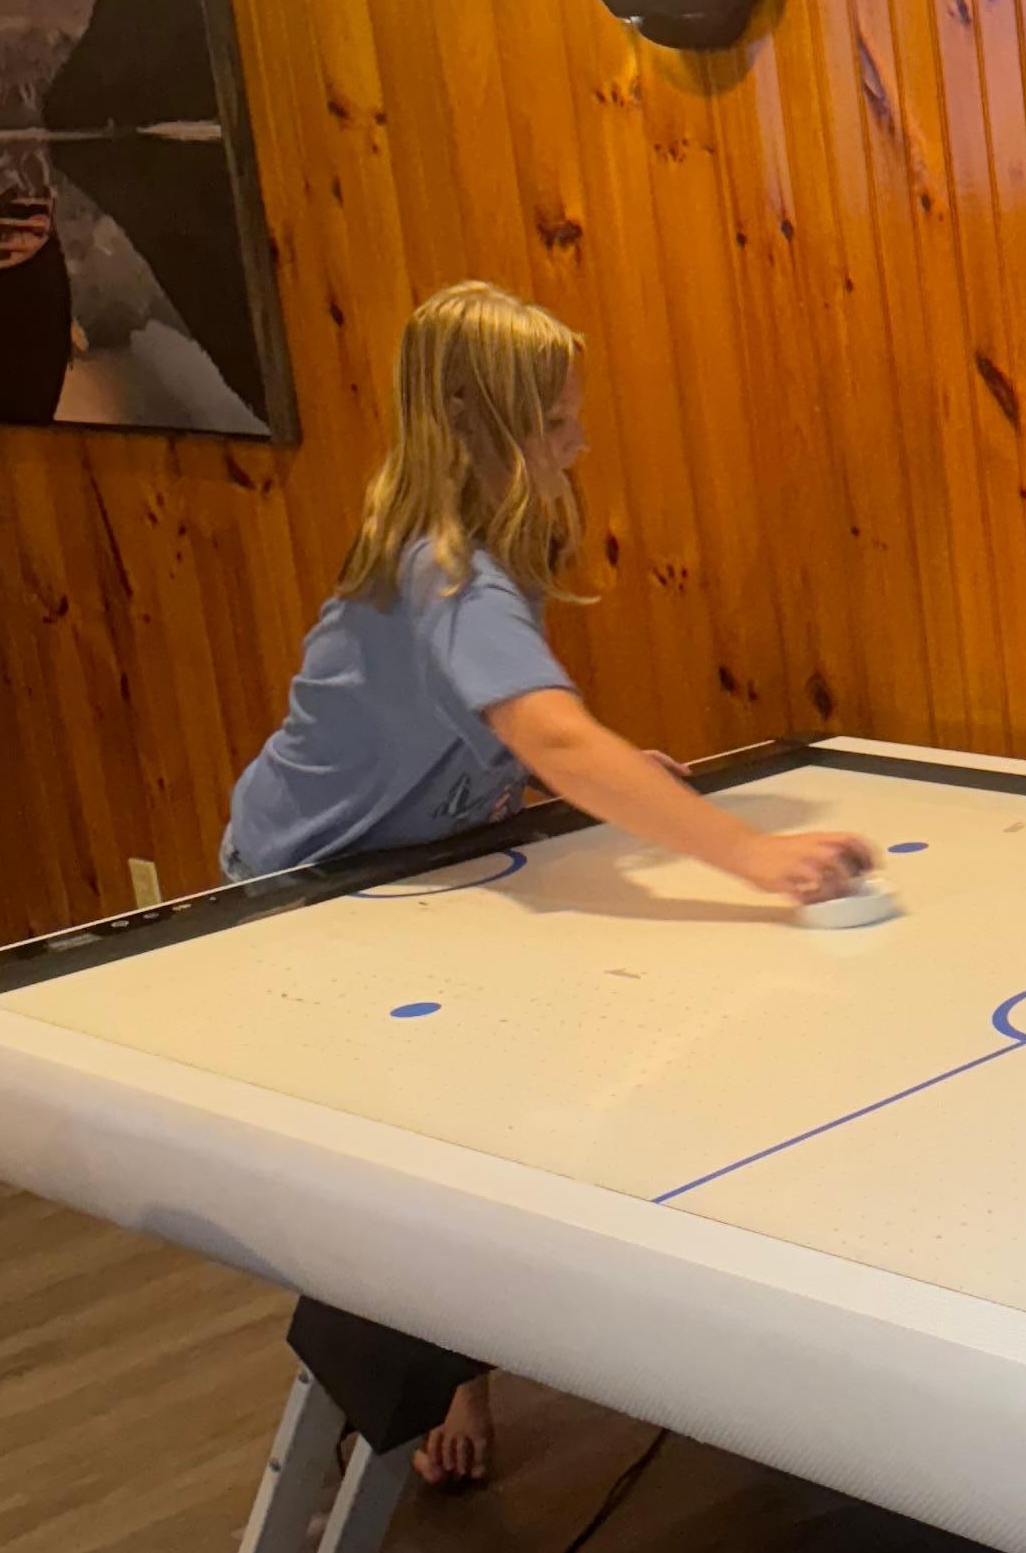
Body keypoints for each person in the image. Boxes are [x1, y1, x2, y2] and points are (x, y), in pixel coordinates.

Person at [224, 278, 874, 1484]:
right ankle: (383, 1401)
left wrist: (611, 777)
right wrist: (751, 855)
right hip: (296, 886)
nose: (580, 441)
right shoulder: (445, 569)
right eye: (559, 423)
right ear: (478, 424)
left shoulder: (488, 556)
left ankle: (454, 1363)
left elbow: (505, 742)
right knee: (395, 1168)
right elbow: (551, 735)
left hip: (417, 865)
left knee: (469, 1118)